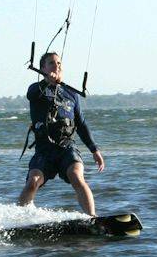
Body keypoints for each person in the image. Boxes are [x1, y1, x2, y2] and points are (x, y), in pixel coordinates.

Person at [17, 52, 105, 216]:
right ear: (43, 68)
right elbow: (30, 95)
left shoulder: (71, 93)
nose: (56, 66)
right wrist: (47, 81)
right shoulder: (36, 89)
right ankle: (19, 220)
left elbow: (81, 124)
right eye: (51, 63)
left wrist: (94, 150)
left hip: (67, 147)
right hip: (44, 149)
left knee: (76, 176)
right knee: (33, 182)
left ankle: (92, 218)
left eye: (59, 63)